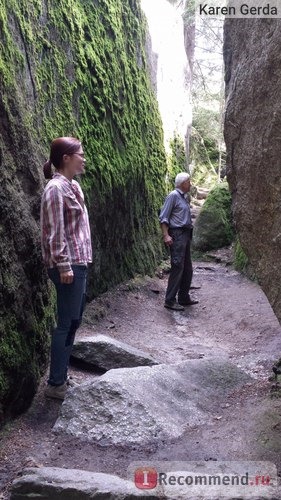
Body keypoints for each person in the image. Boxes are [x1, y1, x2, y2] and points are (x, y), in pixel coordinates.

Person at [40, 137, 92, 400]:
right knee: (66, 323)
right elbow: (54, 231)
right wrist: (63, 265)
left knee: (74, 321)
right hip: (67, 264)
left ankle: (60, 376)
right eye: (80, 154)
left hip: (78, 262)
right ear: (66, 158)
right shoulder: (55, 189)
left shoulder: (74, 187)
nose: (84, 158)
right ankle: (55, 384)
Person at [159, 172, 198, 311]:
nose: (190, 184)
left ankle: (183, 297)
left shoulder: (184, 197)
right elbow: (163, 217)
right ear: (182, 183)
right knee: (177, 266)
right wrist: (166, 235)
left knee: (187, 268)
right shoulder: (173, 196)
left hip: (186, 234)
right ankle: (169, 300)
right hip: (177, 234)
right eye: (189, 182)